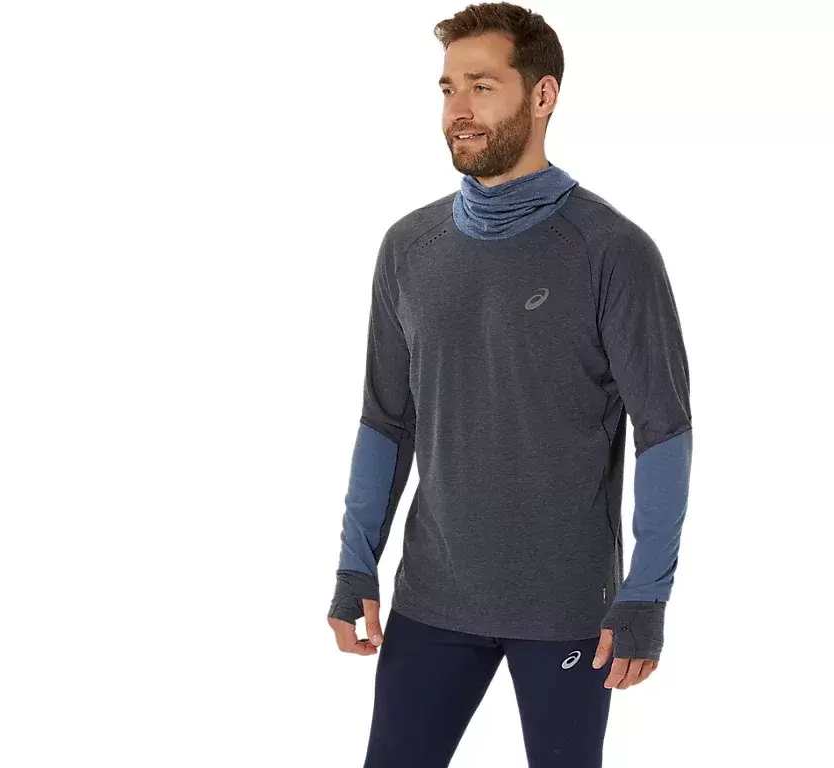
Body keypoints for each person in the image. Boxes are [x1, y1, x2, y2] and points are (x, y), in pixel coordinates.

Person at [327, 3, 693, 766]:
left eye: (482, 86)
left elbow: (664, 431)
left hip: (567, 610)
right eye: (448, 88)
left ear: (543, 95)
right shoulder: (409, 248)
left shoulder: (611, 251)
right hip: (433, 597)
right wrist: (357, 560)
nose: (458, 109)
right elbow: (385, 421)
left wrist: (647, 593)